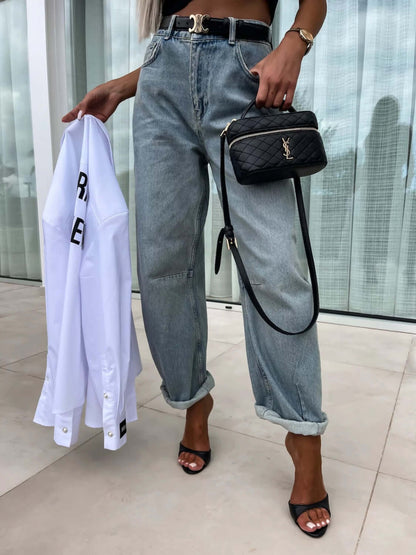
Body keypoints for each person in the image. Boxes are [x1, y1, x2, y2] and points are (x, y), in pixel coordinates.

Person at [62, 0, 330, 538]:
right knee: (164, 264)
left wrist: (295, 43)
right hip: (161, 79)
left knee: (278, 271)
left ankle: (304, 444)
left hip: (250, 72)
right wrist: (126, 84)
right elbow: (186, 44)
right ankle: (193, 401)